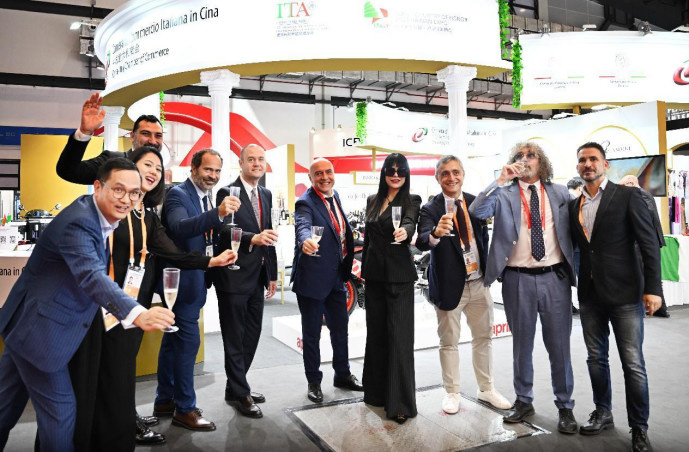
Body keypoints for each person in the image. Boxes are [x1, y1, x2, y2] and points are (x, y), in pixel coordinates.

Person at [56, 144, 237, 450]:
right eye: (146, 165)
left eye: (157, 167)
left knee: (120, 377)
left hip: (129, 306)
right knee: (93, 387)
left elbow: (171, 251)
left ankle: (120, 432)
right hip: (101, 309)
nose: (152, 172)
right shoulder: (102, 210)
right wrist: (83, 134)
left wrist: (210, 261)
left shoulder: (146, 216)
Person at [0, 158, 175, 451]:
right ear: (98, 186)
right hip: (41, 332)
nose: (126, 199)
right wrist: (138, 313)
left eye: (134, 193)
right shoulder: (79, 221)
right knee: (62, 414)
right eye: (118, 190)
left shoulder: (97, 214)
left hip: (25, 326)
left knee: (4, 407)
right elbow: (91, 276)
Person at [469, 142, 578, 434]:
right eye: (520, 156)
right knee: (522, 346)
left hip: (555, 279)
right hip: (517, 279)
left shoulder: (559, 193)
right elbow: (476, 211)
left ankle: (565, 406)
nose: (525, 160)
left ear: (542, 163)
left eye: (531, 155)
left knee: (560, 347)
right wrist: (500, 179)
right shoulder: (503, 194)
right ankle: (524, 400)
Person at [570, 142, 661, 452]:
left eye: (593, 159)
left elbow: (648, 245)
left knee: (632, 363)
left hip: (625, 293)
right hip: (590, 295)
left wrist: (653, 289)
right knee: (596, 358)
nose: (587, 164)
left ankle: (639, 428)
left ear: (605, 165)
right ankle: (603, 412)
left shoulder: (628, 196)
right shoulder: (574, 205)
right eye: (582, 160)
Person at [416, 155, 511, 416]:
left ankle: (486, 388)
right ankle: (452, 392)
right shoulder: (430, 209)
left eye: (455, 172)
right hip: (449, 286)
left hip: (479, 283)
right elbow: (423, 240)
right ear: (438, 178)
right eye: (445, 173)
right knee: (449, 342)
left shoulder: (474, 201)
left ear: (463, 174)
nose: (451, 177)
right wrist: (435, 233)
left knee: (484, 338)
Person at [154, 149, 240, 431]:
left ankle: (165, 400)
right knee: (187, 345)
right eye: (208, 170)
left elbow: (203, 233)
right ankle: (185, 409)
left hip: (195, 278)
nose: (213, 176)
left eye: (217, 171)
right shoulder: (179, 194)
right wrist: (218, 213)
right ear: (193, 168)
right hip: (182, 282)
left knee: (173, 344)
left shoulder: (204, 198)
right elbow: (179, 228)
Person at [213, 144, 278, 419]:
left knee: (251, 335)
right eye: (251, 159)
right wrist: (251, 237)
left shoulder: (266, 193)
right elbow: (223, 228)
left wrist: (272, 274)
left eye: (260, 159)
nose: (256, 163)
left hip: (258, 276)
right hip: (233, 274)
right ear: (241, 163)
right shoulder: (227, 192)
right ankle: (241, 392)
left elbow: (270, 233)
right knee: (234, 337)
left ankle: (235, 385)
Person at [291, 158, 363, 404]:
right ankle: (314, 381)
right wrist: (305, 241)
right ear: (310, 178)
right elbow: (302, 225)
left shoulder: (336, 197)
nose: (324, 177)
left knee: (340, 330)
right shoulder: (305, 202)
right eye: (318, 174)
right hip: (312, 279)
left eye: (328, 172)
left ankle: (342, 374)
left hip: (337, 278)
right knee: (311, 335)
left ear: (334, 174)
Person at [360, 153, 421, 424]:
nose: (396, 175)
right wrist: (363, 272)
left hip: (399, 278)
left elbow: (410, 222)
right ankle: (376, 393)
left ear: (407, 174)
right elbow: (369, 238)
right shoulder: (372, 201)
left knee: (399, 339)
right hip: (373, 277)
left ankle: (400, 404)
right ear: (384, 173)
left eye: (401, 170)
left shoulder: (412, 200)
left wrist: (405, 232)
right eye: (391, 170)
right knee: (376, 336)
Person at [57, 94, 164, 184]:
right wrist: (84, 132)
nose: (153, 141)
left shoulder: (158, 172)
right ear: (132, 136)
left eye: (158, 135)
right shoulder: (112, 161)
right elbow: (68, 171)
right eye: (146, 134)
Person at [619, 174, 669, 318]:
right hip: (644, 242)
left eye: (622, 186)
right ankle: (658, 309)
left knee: (643, 275)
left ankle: (654, 309)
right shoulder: (645, 194)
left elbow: (643, 220)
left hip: (642, 243)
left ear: (629, 183)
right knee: (647, 274)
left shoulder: (639, 195)